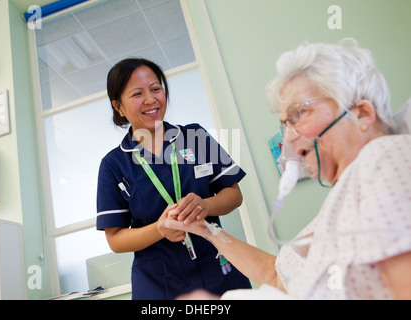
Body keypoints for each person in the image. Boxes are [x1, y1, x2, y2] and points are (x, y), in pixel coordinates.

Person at [159, 39, 411, 299]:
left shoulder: (384, 158)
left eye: (299, 114)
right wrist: (207, 230)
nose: (287, 138)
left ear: (360, 114)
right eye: (284, 124)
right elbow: (276, 276)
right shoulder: (342, 203)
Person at [96, 58, 251, 300]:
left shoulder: (195, 136)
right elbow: (115, 239)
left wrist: (205, 205)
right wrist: (160, 228)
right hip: (160, 284)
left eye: (156, 89)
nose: (150, 100)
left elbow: (234, 194)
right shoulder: (113, 165)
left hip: (219, 267)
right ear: (119, 107)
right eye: (137, 94)